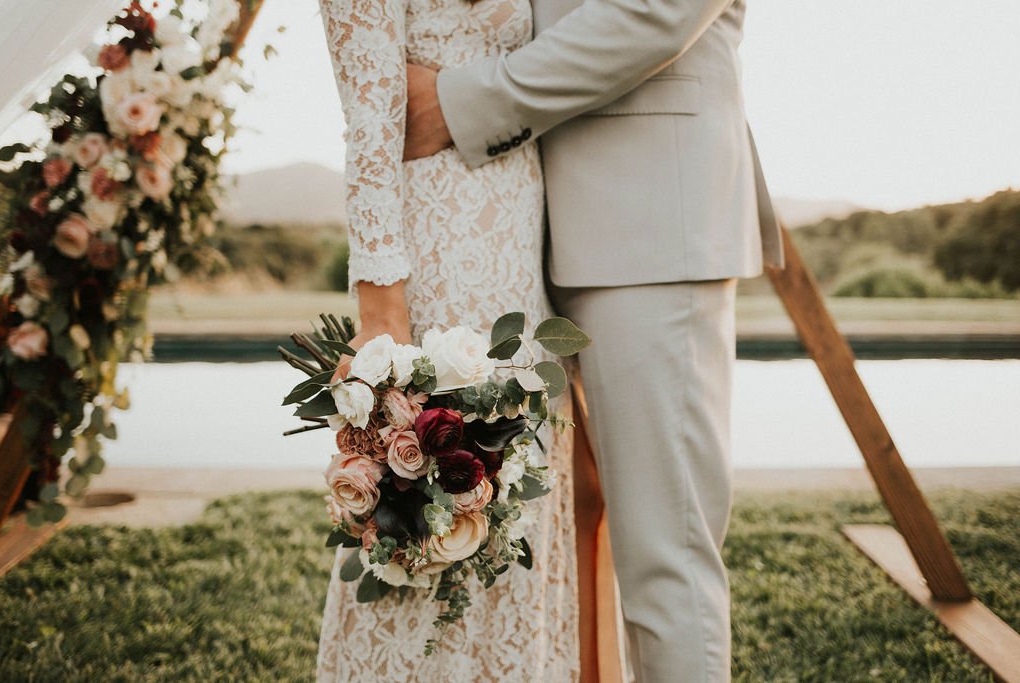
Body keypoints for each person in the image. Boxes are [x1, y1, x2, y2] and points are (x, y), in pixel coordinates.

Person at [400, 0, 785, 681]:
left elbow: (657, 11)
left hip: (653, 227)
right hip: (515, 230)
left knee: (668, 562)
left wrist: (466, 102)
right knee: (561, 557)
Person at [313, 0, 586, 680]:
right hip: (437, 265)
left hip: (517, 263)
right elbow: (371, 120)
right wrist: (384, 325)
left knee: (515, 507)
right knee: (432, 514)